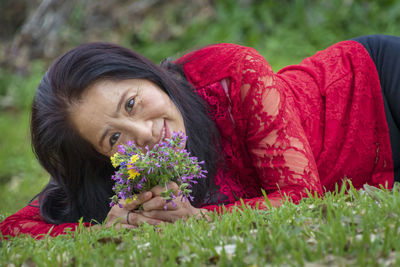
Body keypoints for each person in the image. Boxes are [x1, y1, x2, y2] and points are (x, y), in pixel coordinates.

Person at [1, 35, 399, 239]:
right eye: (113, 140)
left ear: (145, 74)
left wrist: (196, 218)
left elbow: (300, 198)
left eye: (131, 103)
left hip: (376, 85)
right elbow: (13, 228)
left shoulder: (230, 72)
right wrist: (103, 228)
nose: (144, 133)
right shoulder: (115, 179)